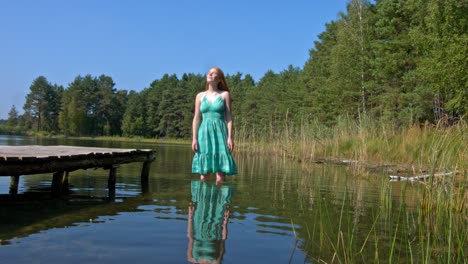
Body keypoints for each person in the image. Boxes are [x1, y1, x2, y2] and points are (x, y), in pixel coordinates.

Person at [191, 67, 238, 184]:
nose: (209, 74)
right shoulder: (200, 96)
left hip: (220, 133)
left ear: (219, 79)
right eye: (209, 73)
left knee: (220, 172)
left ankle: (221, 201)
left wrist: (230, 137)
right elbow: (196, 118)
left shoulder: (225, 95)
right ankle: (203, 201)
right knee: (203, 173)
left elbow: (228, 117)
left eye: (213, 73)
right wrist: (194, 138)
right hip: (204, 133)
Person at [187, 180, 235, 264]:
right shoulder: (216, 262)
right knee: (221, 190)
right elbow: (223, 240)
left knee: (202, 191)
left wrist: (190, 217)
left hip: (199, 222)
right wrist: (225, 222)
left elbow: (190, 236)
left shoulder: (191, 258)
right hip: (216, 226)